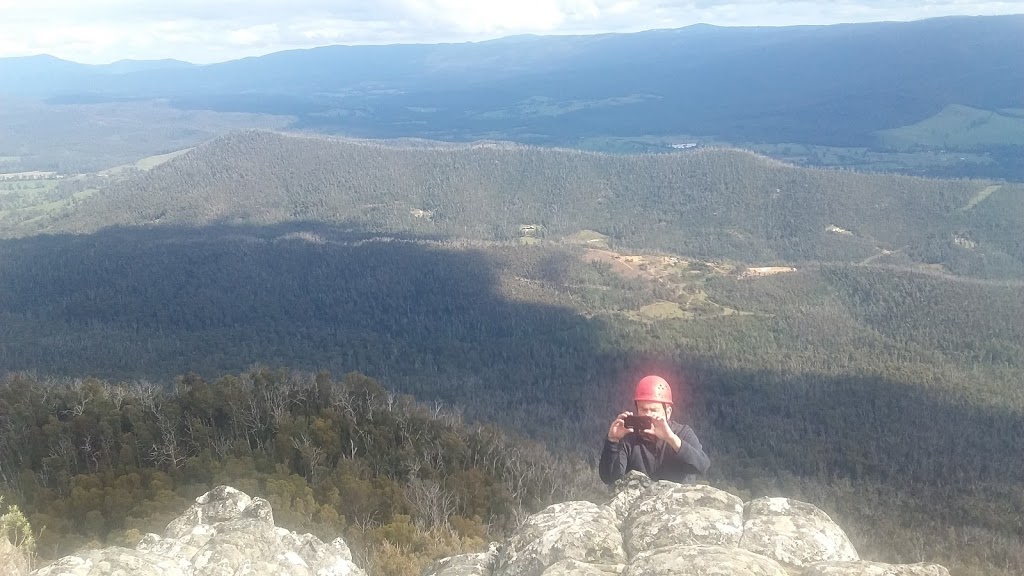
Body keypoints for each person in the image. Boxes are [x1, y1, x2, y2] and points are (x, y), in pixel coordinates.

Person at [599, 375, 710, 485]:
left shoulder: (683, 433)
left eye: (654, 410)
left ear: (668, 412)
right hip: (640, 501)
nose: (648, 415)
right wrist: (613, 442)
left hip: (678, 500)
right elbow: (610, 478)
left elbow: (702, 466)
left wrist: (671, 438)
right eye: (643, 409)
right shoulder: (629, 437)